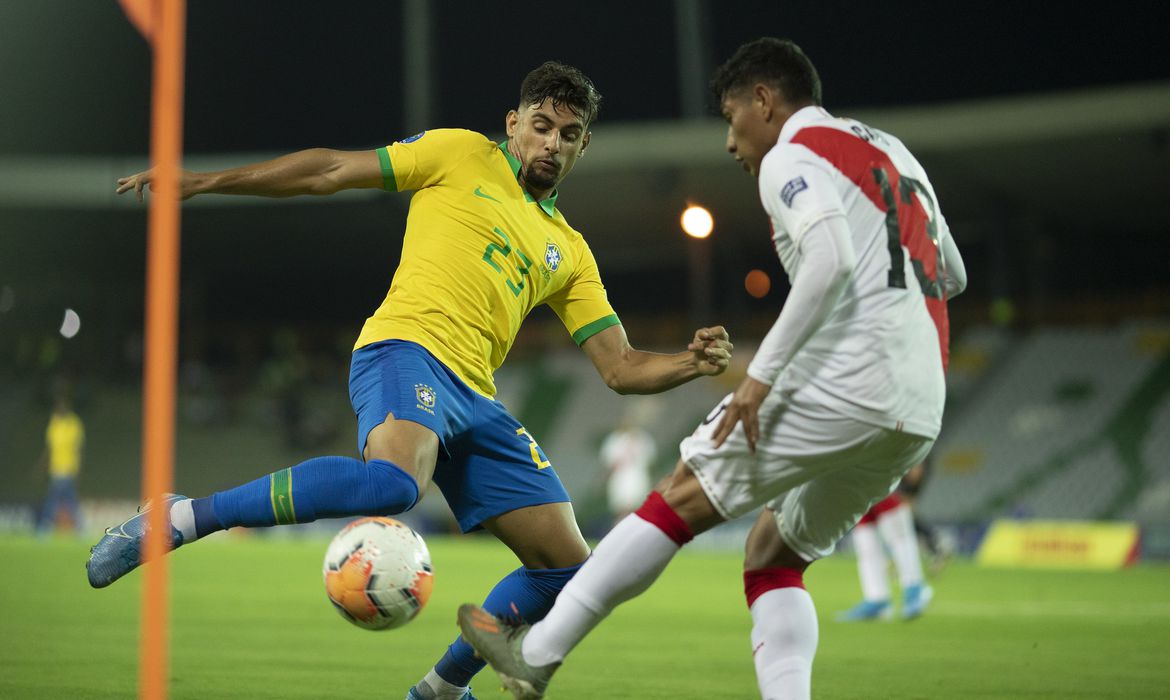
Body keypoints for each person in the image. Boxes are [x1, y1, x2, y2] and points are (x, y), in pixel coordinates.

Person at [86, 61, 733, 700]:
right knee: (394, 484)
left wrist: (691, 362)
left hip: (476, 398)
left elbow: (620, 368)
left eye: (568, 135)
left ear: (583, 144)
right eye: (540, 126)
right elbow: (333, 169)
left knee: (568, 568)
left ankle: (439, 690)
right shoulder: (458, 154)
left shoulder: (571, 250)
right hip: (405, 350)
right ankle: (182, 517)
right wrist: (207, 182)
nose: (551, 144)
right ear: (514, 124)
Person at [457, 37, 967, 700]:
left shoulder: (795, 151)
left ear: (764, 100)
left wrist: (761, 377)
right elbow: (950, 272)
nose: (731, 142)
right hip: (920, 399)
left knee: (679, 497)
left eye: (731, 118)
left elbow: (832, 258)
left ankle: (538, 656)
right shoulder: (893, 153)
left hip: (847, 375)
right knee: (773, 557)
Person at [836, 485, 932, 622]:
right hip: (856, 487)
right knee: (866, 544)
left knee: (897, 532)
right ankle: (877, 598)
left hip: (873, 477)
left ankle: (915, 588)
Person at [598, 400, 658, 524]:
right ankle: (619, 531)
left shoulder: (643, 438)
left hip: (637, 477)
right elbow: (610, 462)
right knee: (621, 507)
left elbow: (648, 462)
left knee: (636, 507)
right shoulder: (616, 439)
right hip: (620, 477)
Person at [37, 395, 85, 534]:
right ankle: (80, 528)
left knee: (55, 498)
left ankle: (44, 527)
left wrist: (78, 468)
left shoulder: (73, 423)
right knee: (68, 499)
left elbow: (78, 447)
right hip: (56, 468)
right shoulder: (54, 422)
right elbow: (50, 447)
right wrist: (43, 464)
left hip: (68, 468)